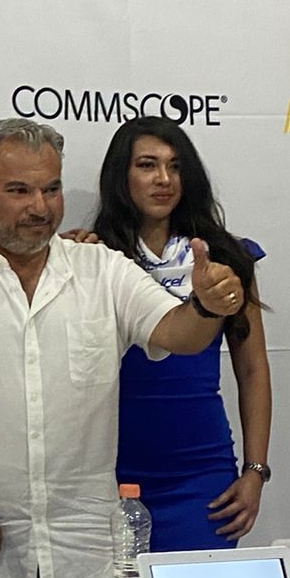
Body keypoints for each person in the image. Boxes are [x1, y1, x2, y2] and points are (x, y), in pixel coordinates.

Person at [0, 118, 246, 578]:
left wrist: (205, 307)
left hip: (84, 556)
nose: (40, 208)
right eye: (19, 191)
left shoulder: (102, 269)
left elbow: (178, 334)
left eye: (51, 189)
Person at [89, 116, 270, 550]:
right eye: (147, 165)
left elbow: (253, 370)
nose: (164, 179)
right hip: (105, 475)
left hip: (200, 474)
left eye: (175, 166)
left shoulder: (227, 258)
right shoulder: (91, 257)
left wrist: (255, 471)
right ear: (120, 176)